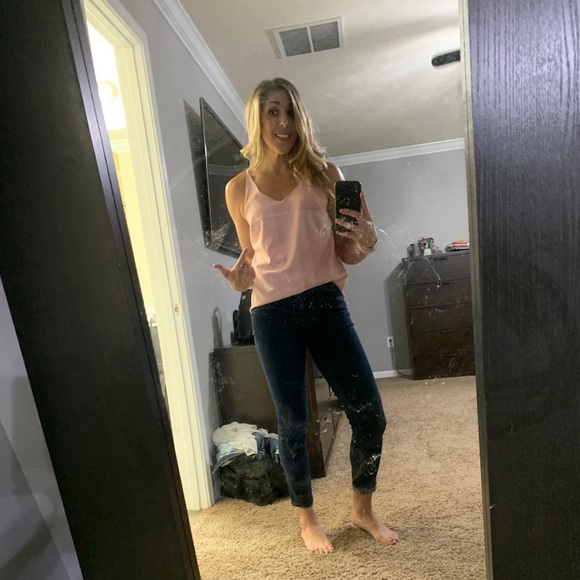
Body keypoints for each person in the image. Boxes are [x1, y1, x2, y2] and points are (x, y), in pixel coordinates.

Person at [214, 78, 399, 554]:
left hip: (324, 302)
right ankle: (307, 518)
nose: (283, 123)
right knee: (293, 421)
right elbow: (251, 259)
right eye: (272, 112)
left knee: (370, 414)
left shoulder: (326, 174)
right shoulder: (238, 189)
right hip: (271, 312)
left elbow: (348, 251)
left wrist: (367, 238)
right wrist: (240, 282)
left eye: (291, 112)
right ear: (257, 120)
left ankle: (362, 510)